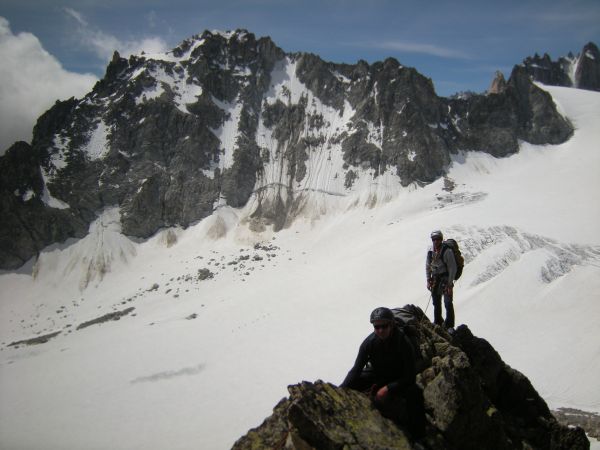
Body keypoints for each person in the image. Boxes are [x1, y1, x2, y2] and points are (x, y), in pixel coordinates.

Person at [341, 307, 425, 438]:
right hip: (380, 374)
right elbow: (356, 370)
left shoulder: (403, 342)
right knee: (356, 380)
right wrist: (340, 390)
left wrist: (387, 389)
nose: (380, 330)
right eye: (376, 327)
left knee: (415, 394)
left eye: (384, 326)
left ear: (391, 325)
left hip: (400, 377)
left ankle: (418, 435)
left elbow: (410, 377)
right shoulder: (369, 343)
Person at [426, 230, 456, 330]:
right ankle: (438, 321)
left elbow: (452, 268)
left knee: (447, 302)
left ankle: (449, 325)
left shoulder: (447, 251)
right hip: (435, 278)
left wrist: (450, 284)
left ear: (441, 239)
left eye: (438, 239)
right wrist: (428, 279)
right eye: (434, 239)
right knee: (436, 302)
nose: (435, 241)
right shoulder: (430, 251)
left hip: (445, 278)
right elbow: (427, 266)